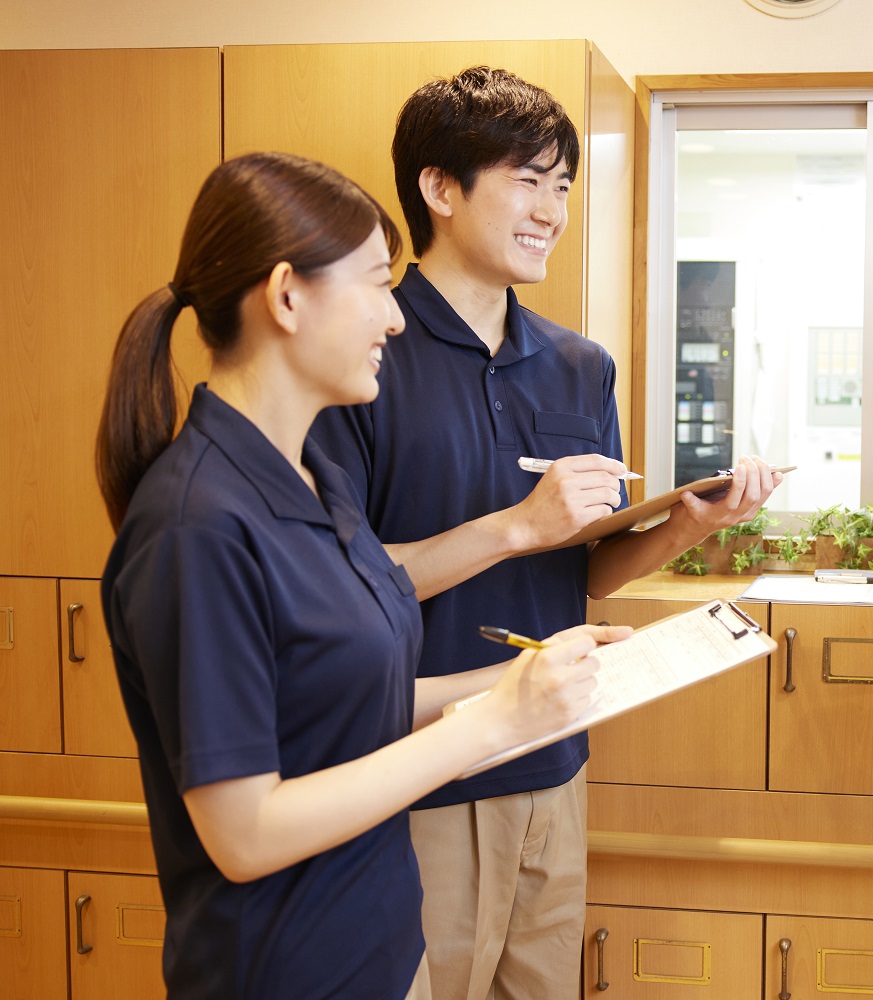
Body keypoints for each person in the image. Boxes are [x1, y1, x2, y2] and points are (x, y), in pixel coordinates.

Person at [96, 151, 626, 1000]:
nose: (394, 318)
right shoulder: (197, 525)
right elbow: (246, 833)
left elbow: (346, 695)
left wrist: (528, 678)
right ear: (286, 296)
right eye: (377, 286)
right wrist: (488, 727)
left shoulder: (315, 482)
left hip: (380, 945)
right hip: (284, 972)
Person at [308, 67, 781, 1000]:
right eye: (527, 179)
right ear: (440, 188)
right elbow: (339, 593)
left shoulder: (577, 365)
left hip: (554, 756)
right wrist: (514, 527)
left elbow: (590, 576)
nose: (552, 210)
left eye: (562, 186)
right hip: (417, 765)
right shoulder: (364, 356)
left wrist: (687, 525)